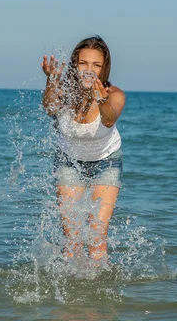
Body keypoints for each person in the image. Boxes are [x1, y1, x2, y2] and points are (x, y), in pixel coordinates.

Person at [40, 36, 126, 261]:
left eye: (96, 65)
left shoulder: (114, 95)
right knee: (73, 239)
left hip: (107, 162)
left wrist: (100, 101)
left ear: (104, 69)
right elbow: (49, 108)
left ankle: (99, 291)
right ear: (74, 65)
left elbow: (108, 120)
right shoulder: (64, 91)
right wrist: (51, 80)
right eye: (83, 63)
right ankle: (72, 291)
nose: (89, 70)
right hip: (69, 161)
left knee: (97, 236)